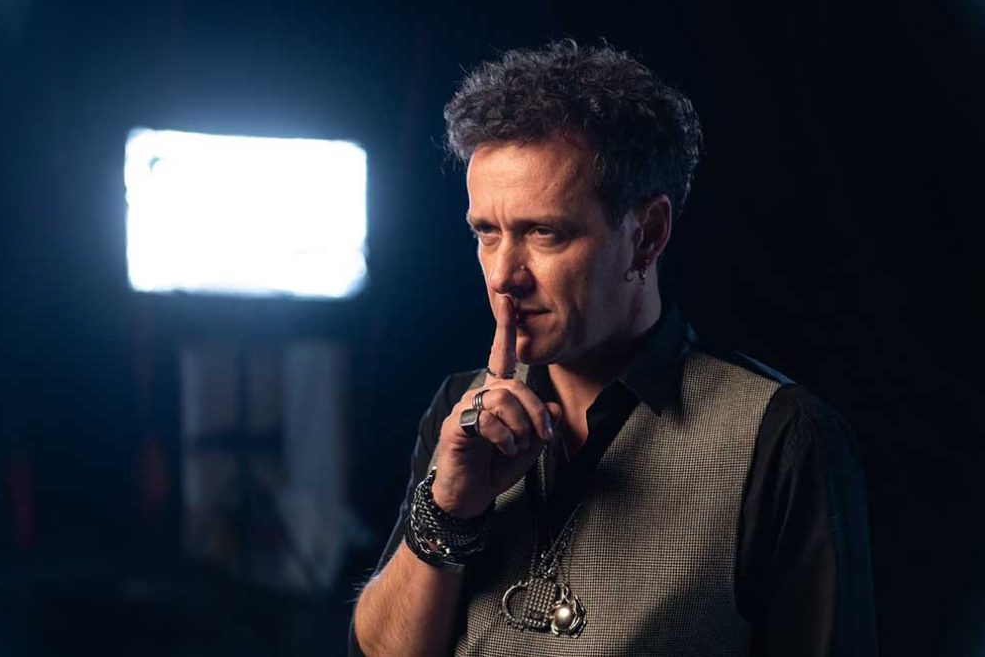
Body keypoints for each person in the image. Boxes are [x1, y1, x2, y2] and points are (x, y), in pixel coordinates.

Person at [350, 40, 877, 656]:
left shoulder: (782, 436)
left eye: (544, 232)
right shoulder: (458, 408)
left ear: (647, 237)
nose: (502, 275)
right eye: (487, 233)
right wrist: (448, 510)